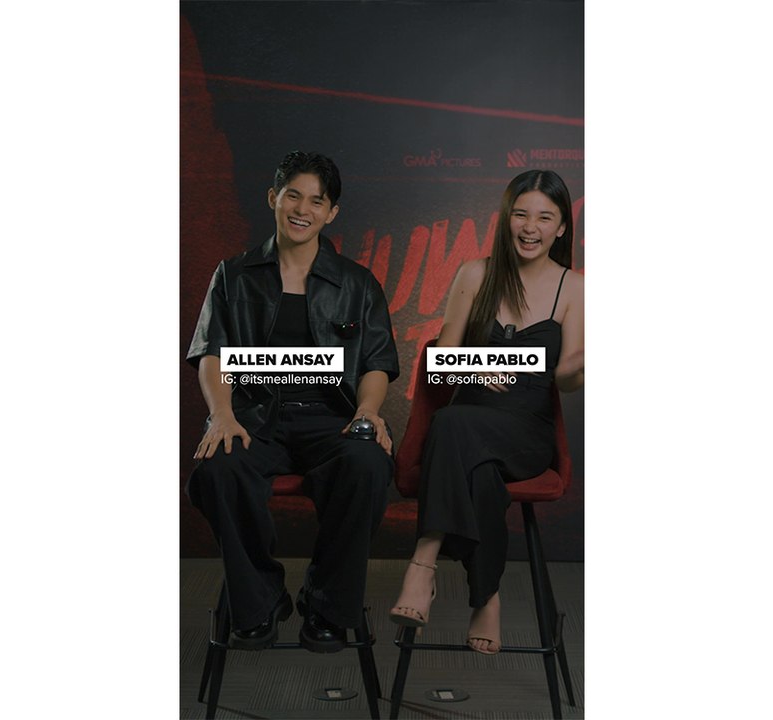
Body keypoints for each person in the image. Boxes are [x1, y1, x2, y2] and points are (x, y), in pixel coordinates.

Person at [186, 151, 399, 653]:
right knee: (217, 470)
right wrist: (221, 415)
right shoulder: (233, 274)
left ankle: (326, 604)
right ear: (273, 199)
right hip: (255, 417)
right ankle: (260, 600)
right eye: (293, 196)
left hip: (331, 419)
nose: (303, 209)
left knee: (368, 465)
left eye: (316, 201)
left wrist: (367, 411)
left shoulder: (357, 282)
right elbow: (212, 353)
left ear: (331, 213)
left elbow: (375, 362)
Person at [388, 169, 583, 655]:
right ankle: (486, 597)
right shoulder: (475, 273)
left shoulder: (575, 288)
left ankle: (424, 562)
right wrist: (475, 366)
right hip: (469, 420)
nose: (530, 227)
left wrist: (579, 366)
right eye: (521, 214)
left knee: (451, 425)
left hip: (526, 432)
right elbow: (440, 363)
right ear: (505, 218)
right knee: (478, 469)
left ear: (562, 227)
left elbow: (566, 379)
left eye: (545, 217)